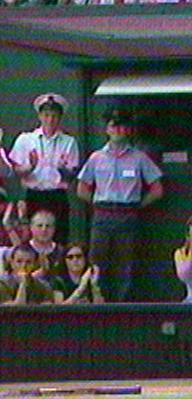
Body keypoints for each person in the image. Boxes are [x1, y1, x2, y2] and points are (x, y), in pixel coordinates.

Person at [76, 106, 164, 302]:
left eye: (122, 126)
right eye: (114, 126)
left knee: (126, 265)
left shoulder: (139, 158)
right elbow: (82, 189)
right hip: (102, 215)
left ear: (128, 130)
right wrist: (98, 204)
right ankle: (97, 303)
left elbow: (157, 190)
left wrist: (137, 205)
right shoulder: (96, 158)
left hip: (128, 215)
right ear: (107, 129)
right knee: (97, 264)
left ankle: (122, 306)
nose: (118, 130)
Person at [9, 93, 79, 243]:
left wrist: (62, 170)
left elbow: (71, 176)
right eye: (46, 115)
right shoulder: (25, 139)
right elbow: (16, 171)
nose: (50, 120)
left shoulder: (69, 142)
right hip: (33, 195)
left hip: (57, 196)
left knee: (59, 239)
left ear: (60, 118)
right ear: (40, 116)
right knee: (30, 240)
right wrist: (30, 167)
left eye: (54, 116)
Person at [28, 209, 64, 278]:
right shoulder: (22, 250)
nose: (44, 229)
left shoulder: (62, 252)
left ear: (54, 229)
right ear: (31, 228)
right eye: (39, 226)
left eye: (48, 226)